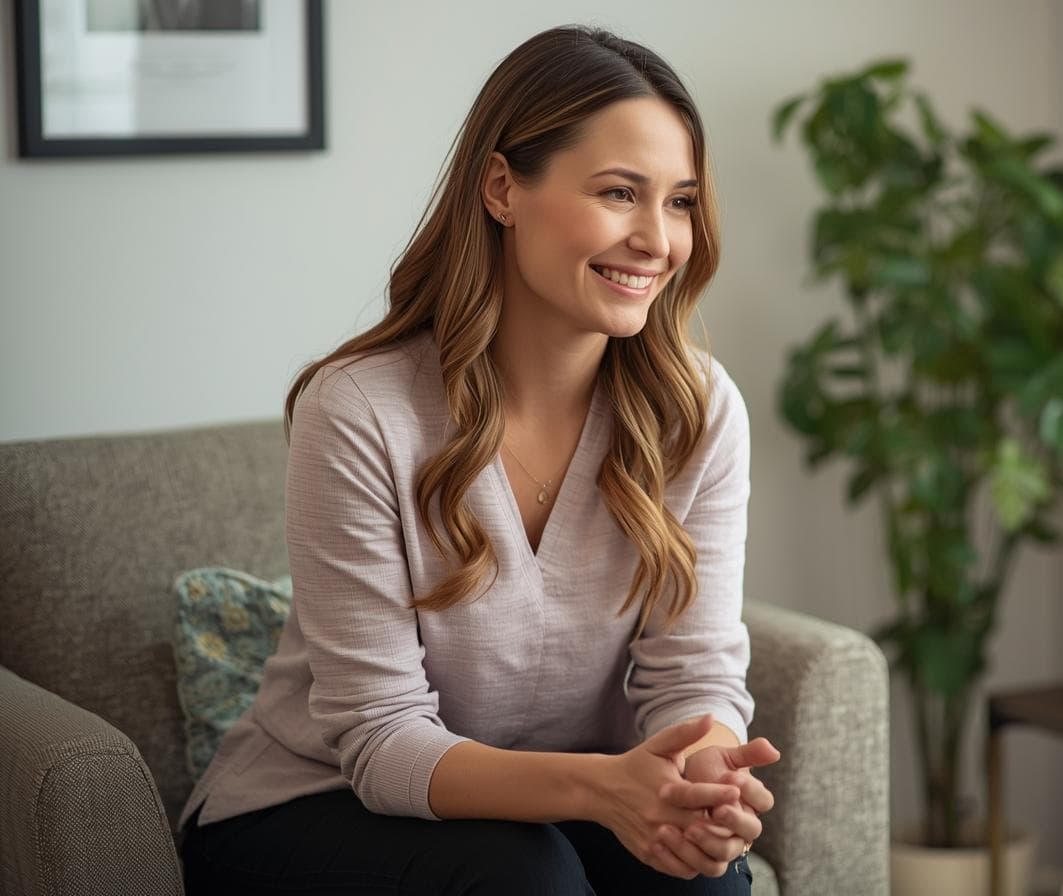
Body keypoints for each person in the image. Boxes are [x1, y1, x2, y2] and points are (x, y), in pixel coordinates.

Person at [179, 25, 779, 895]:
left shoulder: (698, 409)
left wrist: (708, 776)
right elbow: (382, 742)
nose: (659, 239)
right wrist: (601, 788)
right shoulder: (358, 410)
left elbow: (696, 673)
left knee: (705, 880)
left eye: (681, 202)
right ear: (502, 187)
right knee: (522, 875)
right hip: (313, 806)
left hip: (562, 808)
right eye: (620, 193)